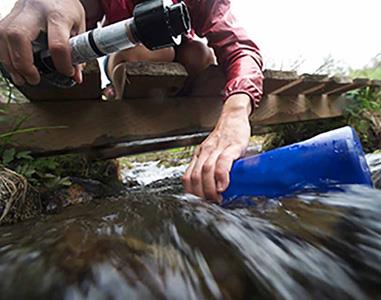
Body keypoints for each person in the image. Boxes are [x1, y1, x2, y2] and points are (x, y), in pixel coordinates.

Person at [0, 0, 264, 203]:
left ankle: (176, 99)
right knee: (149, 49)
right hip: (126, 54)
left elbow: (240, 47)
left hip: (183, 65)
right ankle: (125, 86)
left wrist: (236, 111)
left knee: (199, 53)